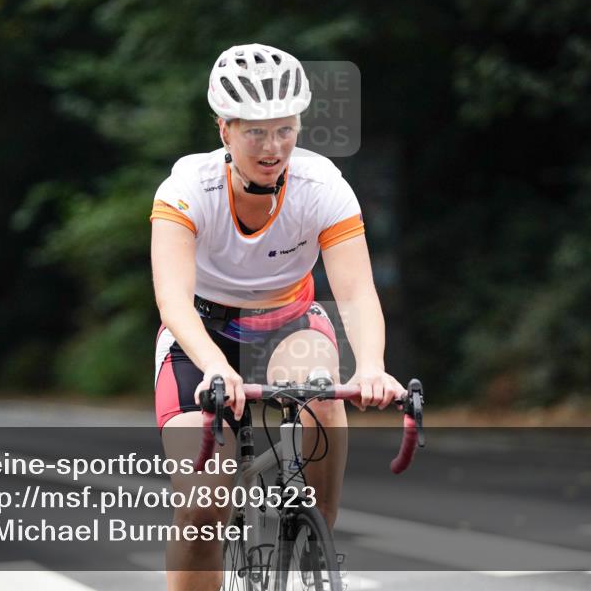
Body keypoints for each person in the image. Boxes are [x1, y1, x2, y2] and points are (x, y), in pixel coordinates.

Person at [150, 43, 404, 591]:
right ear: (224, 129)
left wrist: (372, 366)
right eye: (256, 133)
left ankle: (315, 540)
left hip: (288, 324)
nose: (273, 148)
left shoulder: (323, 187)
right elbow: (173, 300)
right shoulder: (187, 189)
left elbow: (356, 292)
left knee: (321, 396)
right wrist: (215, 366)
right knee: (201, 509)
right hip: (202, 335)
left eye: (285, 130)